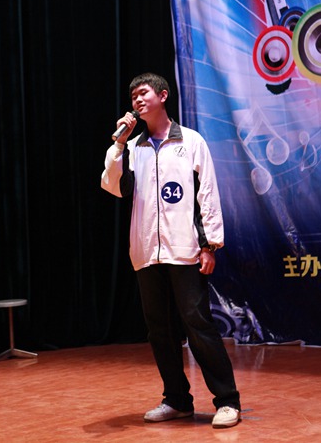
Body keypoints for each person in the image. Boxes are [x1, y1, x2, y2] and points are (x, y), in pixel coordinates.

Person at [101, 72, 241, 429]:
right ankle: (176, 400)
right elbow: (113, 186)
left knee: (198, 325)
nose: (137, 99)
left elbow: (207, 193)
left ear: (163, 96)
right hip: (146, 251)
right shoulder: (134, 148)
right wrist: (118, 145)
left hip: (185, 250)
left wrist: (210, 245)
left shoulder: (191, 141)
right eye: (133, 95)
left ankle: (227, 400)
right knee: (159, 330)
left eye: (143, 92)